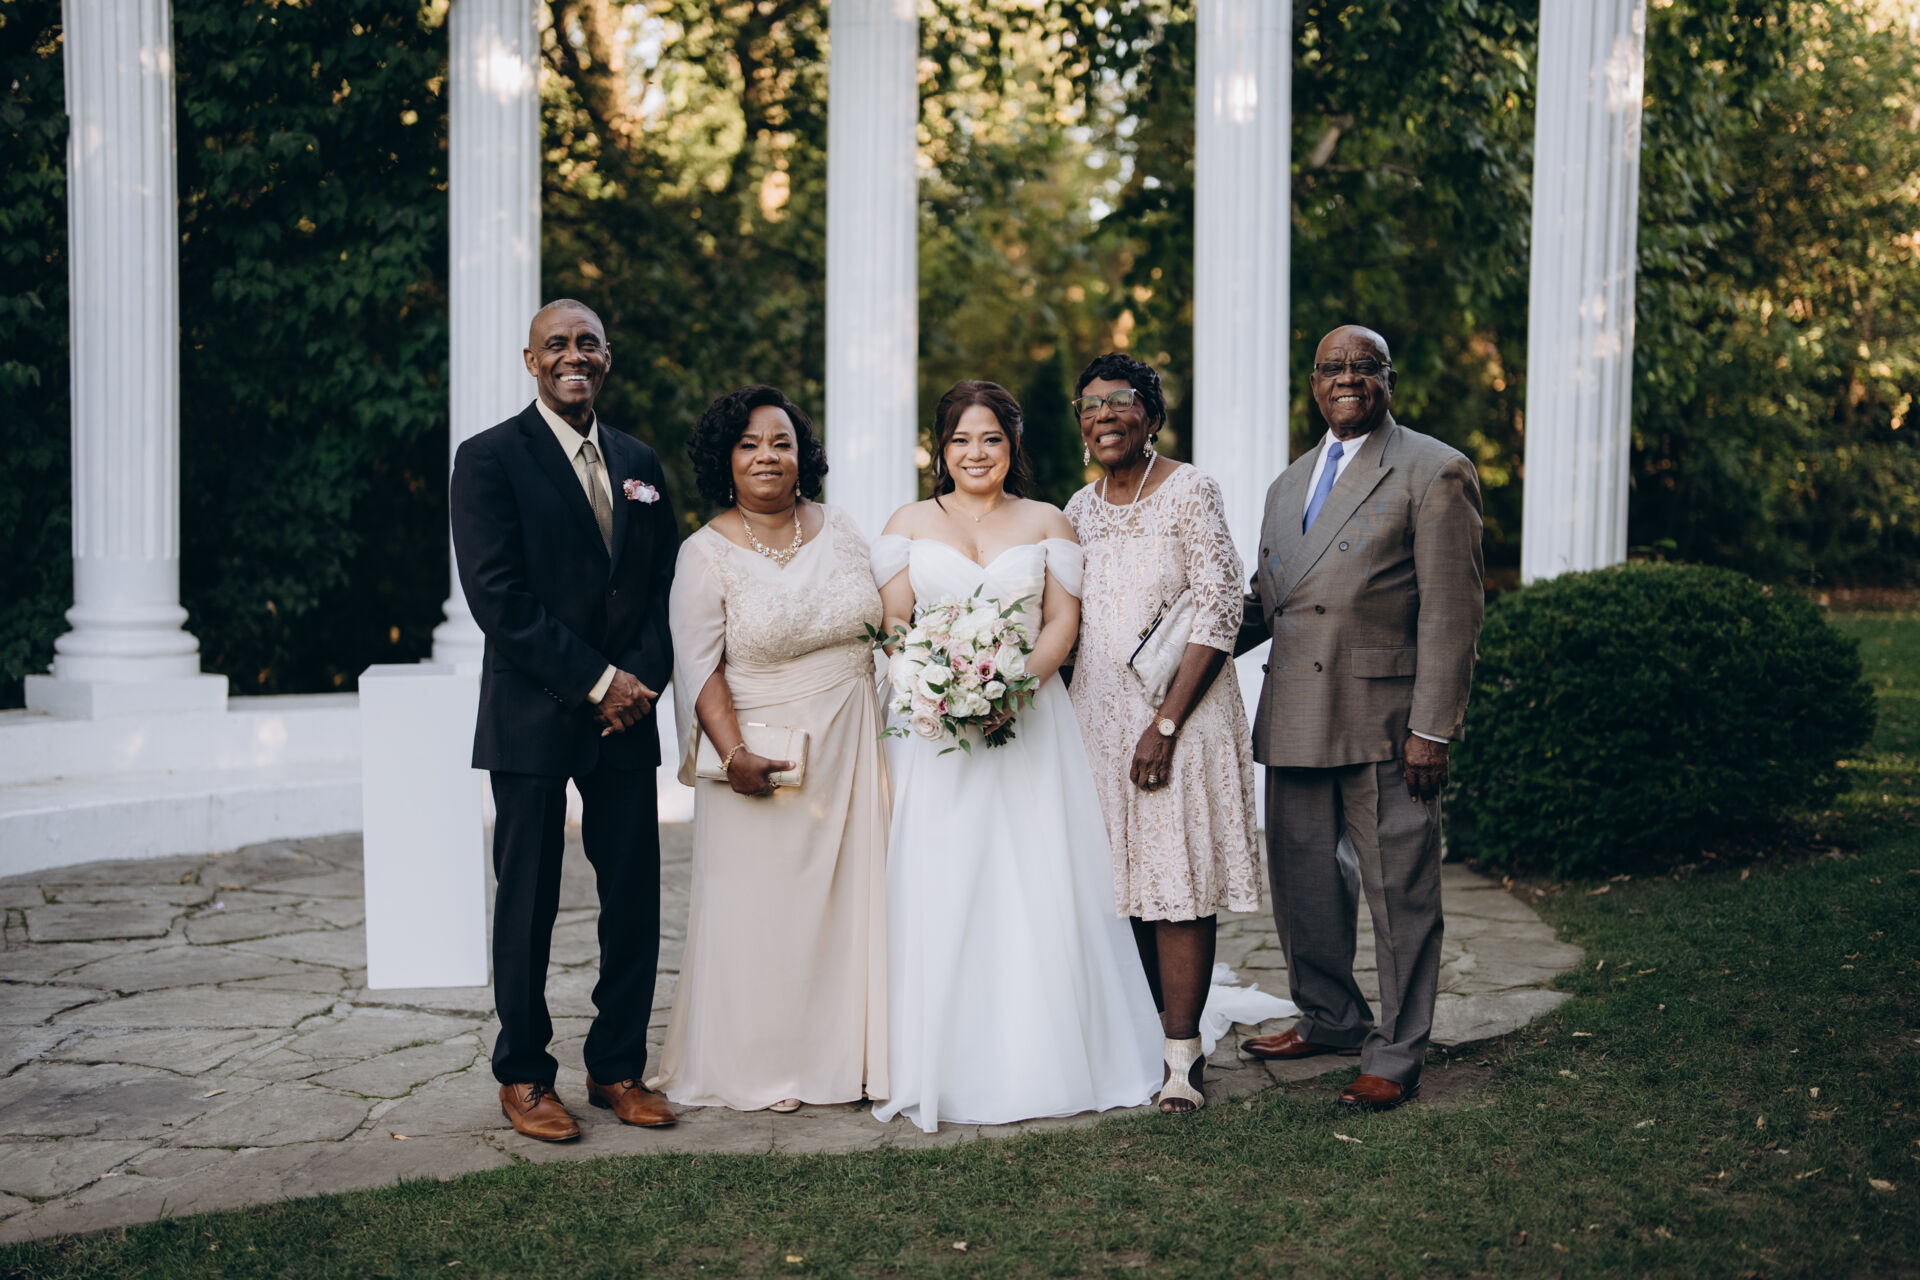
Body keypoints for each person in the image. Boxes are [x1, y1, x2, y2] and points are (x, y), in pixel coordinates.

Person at [870, 379, 1162, 1132]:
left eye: (992, 439)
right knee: (942, 874)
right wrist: (935, 680)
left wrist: (1012, 686)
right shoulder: (908, 523)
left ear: (1013, 445)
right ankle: (938, 1057)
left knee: (1034, 875)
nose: (977, 453)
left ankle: (1045, 1050)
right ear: (941, 448)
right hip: (934, 733)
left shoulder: (1047, 521)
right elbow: (896, 622)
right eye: (962, 440)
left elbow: (1063, 621)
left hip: (1030, 723)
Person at [1237, 325, 1485, 1112]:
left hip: (1387, 723)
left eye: (1364, 366)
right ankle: (1331, 1017)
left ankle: (1398, 1050)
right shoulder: (1288, 485)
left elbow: (1452, 612)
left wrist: (1432, 729)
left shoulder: (1434, 469)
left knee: (1399, 895)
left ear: (1389, 379)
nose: (1347, 378)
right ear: (1313, 383)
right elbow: (1265, 602)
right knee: (1302, 885)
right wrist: (1168, 647)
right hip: (1296, 712)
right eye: (1332, 368)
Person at [450, 299, 678, 1141]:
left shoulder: (639, 461)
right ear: (531, 360)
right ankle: (524, 1075)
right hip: (534, 715)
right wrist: (597, 681)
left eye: (588, 343)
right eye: (557, 344)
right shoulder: (488, 459)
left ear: (607, 358)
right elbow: (497, 598)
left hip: (628, 719)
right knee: (528, 902)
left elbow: (664, 586)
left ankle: (617, 1066)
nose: (573, 355)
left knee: (634, 901)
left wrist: (639, 683)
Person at [648, 385, 890, 1114]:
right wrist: (732, 755)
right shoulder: (703, 553)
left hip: (855, 744)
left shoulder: (844, 528)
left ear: (801, 455)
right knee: (762, 916)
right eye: (749, 444)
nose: (767, 456)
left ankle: (850, 1058)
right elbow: (698, 668)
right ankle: (767, 1065)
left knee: (851, 911)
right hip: (761, 757)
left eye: (781, 442)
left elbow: (889, 623)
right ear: (724, 459)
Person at [1064, 352, 1263, 1113]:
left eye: (1120, 401)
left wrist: (1166, 724)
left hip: (1181, 716)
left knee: (1176, 883)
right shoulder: (1078, 510)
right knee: (1128, 884)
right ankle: (1150, 1038)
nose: (1104, 416)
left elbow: (1220, 609)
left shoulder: (1190, 490)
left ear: (1152, 414)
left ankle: (1184, 1060)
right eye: (1090, 405)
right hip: (1097, 719)